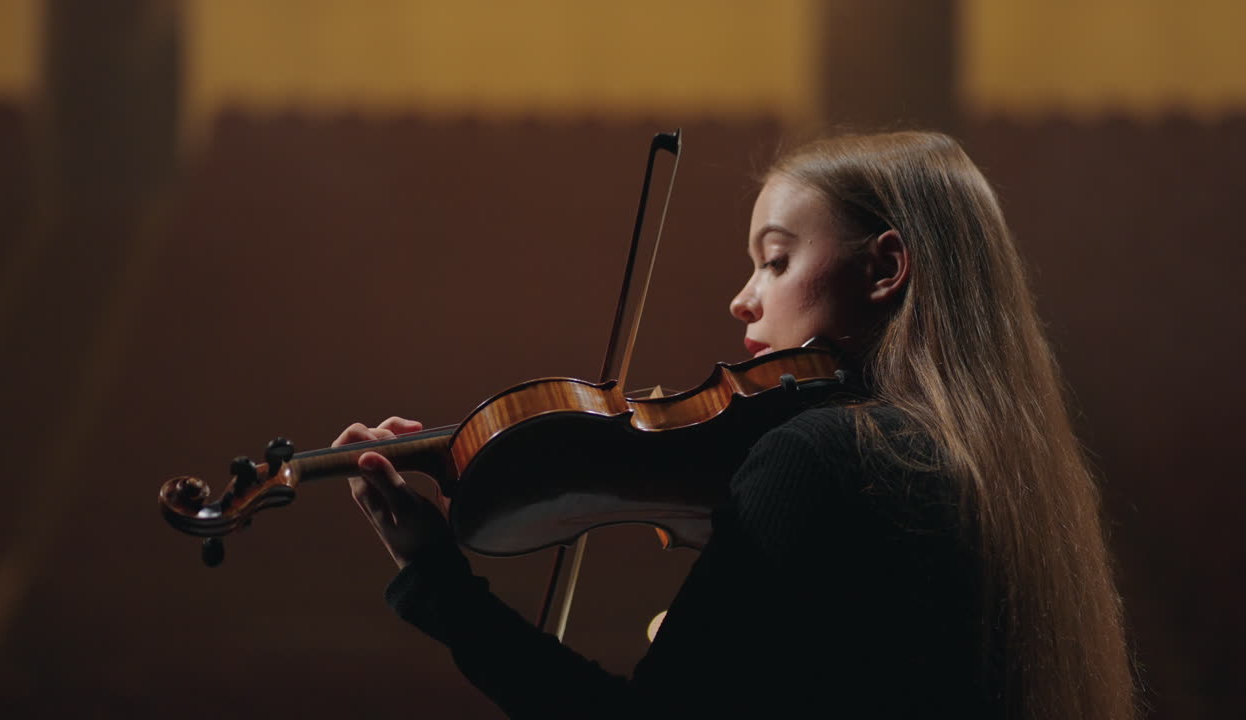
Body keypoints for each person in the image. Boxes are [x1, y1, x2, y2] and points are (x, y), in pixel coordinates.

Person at [333, 131, 1136, 719]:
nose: (743, 299)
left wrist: (438, 582)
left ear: (886, 267)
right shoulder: (994, 474)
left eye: (776, 260)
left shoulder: (819, 456)